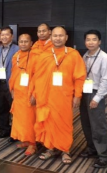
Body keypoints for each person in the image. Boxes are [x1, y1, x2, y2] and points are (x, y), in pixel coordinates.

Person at [34, 26, 86, 164]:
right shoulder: (44, 55)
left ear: (66, 37)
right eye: (55, 36)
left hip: (64, 97)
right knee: (48, 123)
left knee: (64, 124)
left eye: (61, 36)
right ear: (51, 37)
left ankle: (65, 150)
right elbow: (37, 77)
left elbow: (80, 77)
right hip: (46, 97)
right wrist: (35, 93)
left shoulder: (73, 54)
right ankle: (50, 148)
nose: (58, 38)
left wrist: (77, 96)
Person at [79, 30, 107, 168]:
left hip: (96, 94)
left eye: (94, 39)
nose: (90, 42)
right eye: (88, 39)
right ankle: (92, 149)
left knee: (98, 125)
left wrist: (97, 98)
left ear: (99, 41)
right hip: (85, 91)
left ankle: (104, 155)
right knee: (86, 123)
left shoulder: (104, 57)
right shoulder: (85, 56)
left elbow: (105, 80)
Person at [9, 34, 40, 156]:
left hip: (29, 93)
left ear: (31, 43)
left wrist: (35, 94)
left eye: (26, 41)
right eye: (21, 41)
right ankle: (26, 140)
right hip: (18, 93)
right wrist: (11, 89)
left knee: (30, 119)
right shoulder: (16, 56)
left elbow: (38, 78)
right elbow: (12, 75)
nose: (23, 44)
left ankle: (33, 144)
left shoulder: (36, 57)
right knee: (20, 119)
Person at [0, 26, 19, 139]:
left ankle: (15, 133)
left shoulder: (17, 49)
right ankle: (5, 129)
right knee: (1, 107)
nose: (3, 37)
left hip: (12, 84)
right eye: (2, 35)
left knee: (14, 109)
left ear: (12, 36)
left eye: (6, 34)